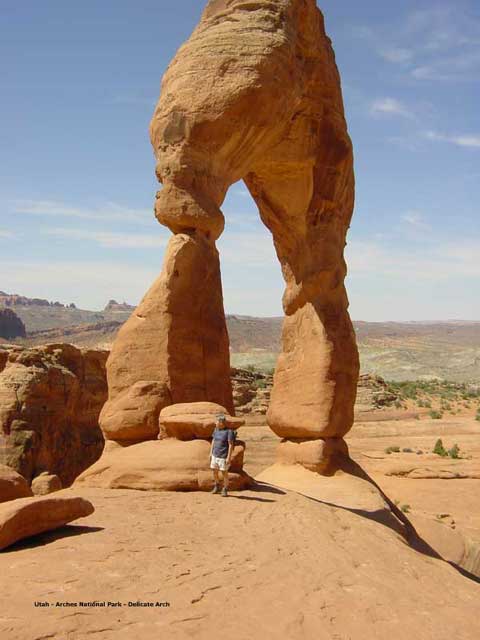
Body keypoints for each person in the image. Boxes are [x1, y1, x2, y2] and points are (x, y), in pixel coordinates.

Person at [210, 413, 236, 497]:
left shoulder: (229, 432)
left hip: (223, 456)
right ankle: (217, 485)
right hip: (215, 455)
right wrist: (210, 452)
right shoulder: (216, 430)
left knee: (224, 473)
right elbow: (213, 441)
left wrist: (229, 457)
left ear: (221, 422)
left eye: (216, 421)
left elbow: (231, 444)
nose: (215, 423)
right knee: (214, 471)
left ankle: (225, 488)